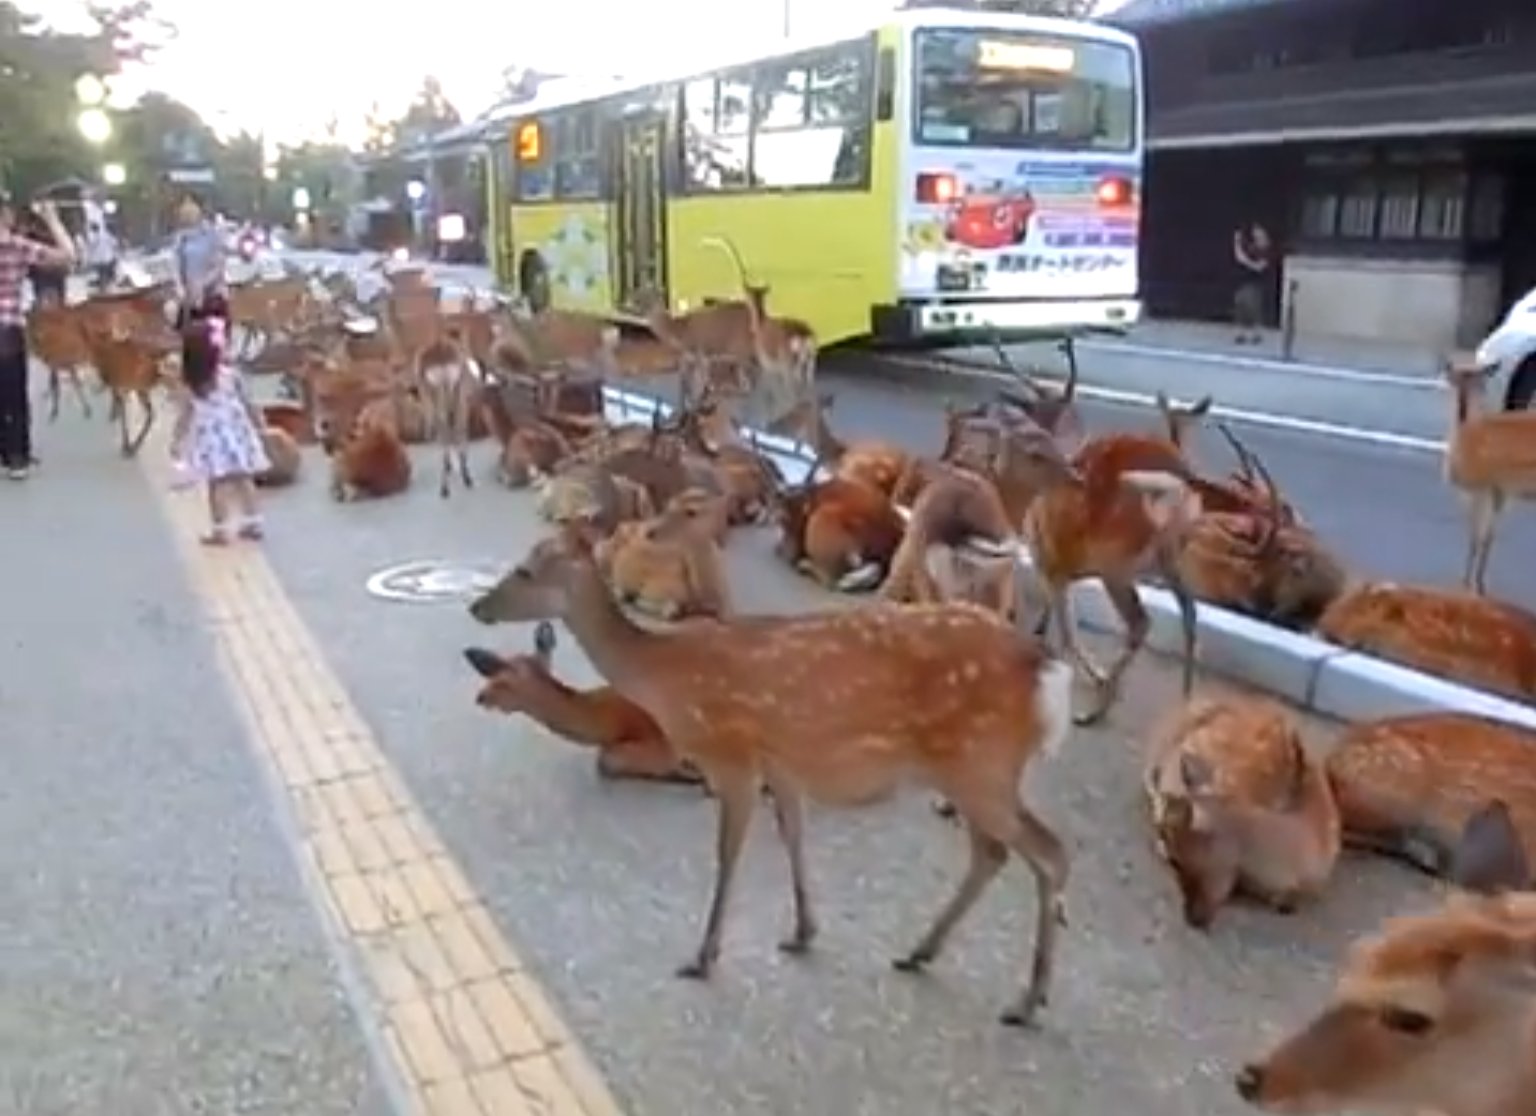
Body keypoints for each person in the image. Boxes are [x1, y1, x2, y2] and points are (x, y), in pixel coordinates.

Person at [167, 318, 269, 545]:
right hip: (238, 435)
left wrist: (177, 439)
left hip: (212, 441)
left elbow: (186, 414)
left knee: (217, 485)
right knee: (244, 479)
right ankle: (254, 522)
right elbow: (248, 403)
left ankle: (221, 530)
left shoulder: (191, 385)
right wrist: (259, 423)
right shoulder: (231, 376)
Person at [0, 194, 75, 480]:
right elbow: (67, 256)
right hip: (7, 326)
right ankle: (16, 457)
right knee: (14, 394)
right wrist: (51, 219)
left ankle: (4, 450)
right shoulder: (17, 246)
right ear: (5, 215)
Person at [171, 191, 228, 327]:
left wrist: (202, 285)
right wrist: (179, 287)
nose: (187, 211)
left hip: (212, 296)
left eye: (191, 206)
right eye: (184, 206)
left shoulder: (212, 234)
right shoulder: (180, 238)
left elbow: (219, 266)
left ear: (200, 210)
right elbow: (176, 266)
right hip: (189, 299)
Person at [1232, 222, 1273, 345]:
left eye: (1258, 232)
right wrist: (1237, 242)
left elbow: (1260, 267)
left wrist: (1247, 262)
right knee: (1240, 304)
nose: (1256, 234)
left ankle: (1257, 334)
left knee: (1253, 307)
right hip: (1245, 280)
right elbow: (1239, 256)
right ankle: (1241, 333)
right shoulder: (1251, 247)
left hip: (1256, 282)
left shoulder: (1266, 249)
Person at [83, 213, 119, 293]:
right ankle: (106, 289)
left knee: (103, 275)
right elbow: (114, 245)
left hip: (101, 260)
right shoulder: (107, 236)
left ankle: (104, 289)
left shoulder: (95, 237)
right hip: (108, 259)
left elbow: (91, 246)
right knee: (107, 276)